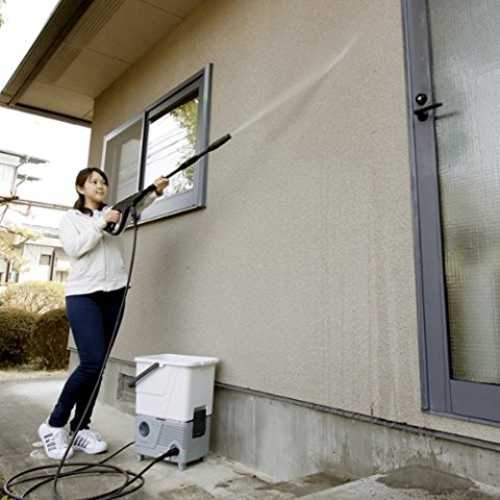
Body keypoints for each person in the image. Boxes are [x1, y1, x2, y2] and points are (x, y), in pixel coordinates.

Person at [37, 167, 169, 460]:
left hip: (114, 294)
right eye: (93, 181)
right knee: (91, 362)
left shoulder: (114, 214)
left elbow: (135, 207)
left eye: (103, 182)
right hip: (83, 295)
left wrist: (155, 191)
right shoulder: (71, 219)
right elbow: (75, 249)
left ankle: (81, 427)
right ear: (80, 187)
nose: (100, 185)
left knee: (99, 366)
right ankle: (54, 424)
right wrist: (100, 223)